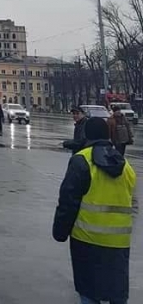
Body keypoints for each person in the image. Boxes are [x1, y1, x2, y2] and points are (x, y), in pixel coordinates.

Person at [53, 117, 136, 304]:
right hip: (119, 243)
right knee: (116, 294)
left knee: (89, 293)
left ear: (87, 135)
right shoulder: (125, 166)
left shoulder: (81, 160)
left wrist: (60, 231)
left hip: (86, 241)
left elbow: (68, 200)